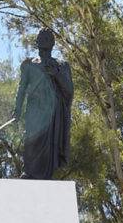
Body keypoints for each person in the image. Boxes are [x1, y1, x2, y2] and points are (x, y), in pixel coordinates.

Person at [11, 28, 75, 179]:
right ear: (37, 41)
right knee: (32, 138)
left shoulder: (61, 65)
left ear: (53, 43)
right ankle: (30, 172)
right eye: (42, 36)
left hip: (53, 110)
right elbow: (21, 89)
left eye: (49, 37)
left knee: (49, 144)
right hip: (35, 108)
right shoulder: (29, 65)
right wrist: (17, 111)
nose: (45, 39)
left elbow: (69, 91)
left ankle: (46, 175)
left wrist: (57, 74)